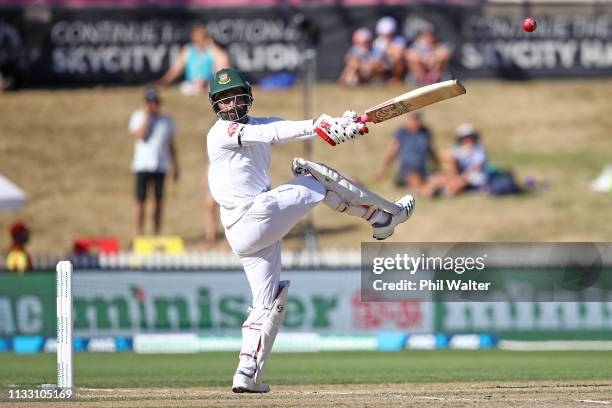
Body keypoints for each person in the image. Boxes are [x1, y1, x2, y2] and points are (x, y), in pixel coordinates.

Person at [206, 67, 415, 393]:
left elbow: (284, 129)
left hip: (248, 233)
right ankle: (381, 217)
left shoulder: (259, 123)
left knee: (268, 301)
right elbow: (272, 136)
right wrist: (322, 125)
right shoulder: (221, 133)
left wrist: (341, 124)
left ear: (247, 95)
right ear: (215, 106)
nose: (230, 103)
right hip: (251, 217)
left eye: (235, 95)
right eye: (223, 99)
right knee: (316, 177)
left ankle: (247, 372)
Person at [128, 87, 179, 237]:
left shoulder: (166, 120)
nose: (152, 105)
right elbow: (140, 136)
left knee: (158, 202)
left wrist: (175, 166)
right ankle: (138, 234)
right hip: (142, 166)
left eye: (155, 101)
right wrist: (147, 118)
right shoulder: (138, 117)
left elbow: (171, 145)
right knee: (140, 201)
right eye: (149, 102)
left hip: (160, 166)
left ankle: (156, 234)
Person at [375, 113, 439, 196]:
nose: (417, 122)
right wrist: (385, 171)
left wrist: (436, 165)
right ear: (408, 120)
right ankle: (424, 191)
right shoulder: (402, 133)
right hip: (406, 171)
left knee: (438, 178)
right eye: (414, 119)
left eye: (418, 119)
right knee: (415, 178)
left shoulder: (425, 132)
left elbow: (430, 150)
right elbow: (391, 153)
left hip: (422, 170)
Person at [158, 23, 230, 96]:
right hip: (191, 85)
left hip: (208, 84)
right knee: (185, 88)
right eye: (198, 36)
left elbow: (224, 63)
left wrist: (211, 44)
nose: (200, 39)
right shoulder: (188, 50)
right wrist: (164, 82)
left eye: (203, 36)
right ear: (193, 37)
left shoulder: (211, 50)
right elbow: (176, 70)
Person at [422, 123, 488, 197]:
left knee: (458, 181)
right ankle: (429, 192)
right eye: (465, 137)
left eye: (470, 137)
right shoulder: (459, 149)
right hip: (458, 175)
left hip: (474, 178)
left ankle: (446, 192)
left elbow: (476, 168)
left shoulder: (479, 150)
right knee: (437, 178)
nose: (468, 140)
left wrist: (460, 176)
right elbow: (447, 156)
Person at [372, 16, 407, 83]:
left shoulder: (400, 40)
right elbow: (377, 58)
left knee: (398, 62)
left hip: (395, 64)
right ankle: (379, 79)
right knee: (375, 64)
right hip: (384, 63)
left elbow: (398, 56)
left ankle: (396, 79)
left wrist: (389, 47)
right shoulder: (377, 41)